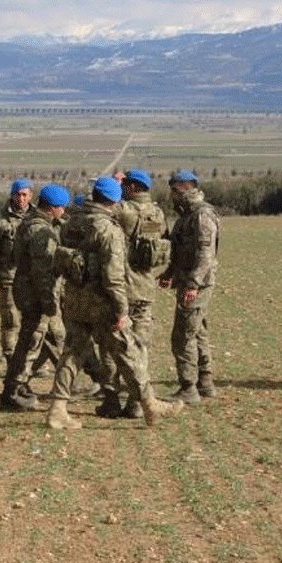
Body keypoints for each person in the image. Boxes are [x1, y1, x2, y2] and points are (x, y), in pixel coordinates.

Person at [45, 177, 182, 430]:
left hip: (75, 300)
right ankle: (149, 405)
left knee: (72, 353)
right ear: (114, 200)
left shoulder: (71, 222)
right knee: (129, 352)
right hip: (102, 304)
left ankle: (57, 409)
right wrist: (121, 310)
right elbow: (114, 276)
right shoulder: (108, 229)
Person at [98, 169, 169, 417]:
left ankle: (110, 399)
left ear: (130, 186)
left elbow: (102, 205)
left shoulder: (125, 211)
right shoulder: (158, 213)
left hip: (120, 289)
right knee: (140, 346)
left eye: (125, 184)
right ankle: (136, 402)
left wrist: (113, 185)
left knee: (111, 346)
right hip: (145, 289)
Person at [0, 184, 68, 411]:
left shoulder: (29, 223)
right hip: (35, 296)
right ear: (54, 208)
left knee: (33, 340)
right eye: (61, 208)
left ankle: (16, 386)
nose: (63, 212)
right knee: (31, 342)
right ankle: (14, 391)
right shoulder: (42, 232)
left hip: (26, 291)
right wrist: (49, 303)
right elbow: (42, 273)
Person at [159, 169, 220, 403]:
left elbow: (206, 255)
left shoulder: (202, 215)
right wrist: (170, 273)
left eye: (174, 190)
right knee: (198, 331)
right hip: (187, 281)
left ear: (184, 188)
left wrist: (193, 284)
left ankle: (188, 388)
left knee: (183, 336)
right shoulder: (187, 215)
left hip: (197, 285)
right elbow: (181, 250)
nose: (172, 195)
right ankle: (205, 382)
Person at [0, 179, 33, 366]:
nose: (20, 199)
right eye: (17, 194)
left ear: (30, 196)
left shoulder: (36, 217)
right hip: (8, 279)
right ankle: (11, 359)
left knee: (34, 323)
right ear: (12, 195)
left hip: (32, 279)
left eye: (24, 195)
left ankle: (30, 360)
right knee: (10, 322)